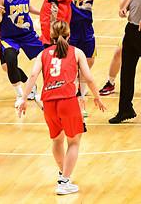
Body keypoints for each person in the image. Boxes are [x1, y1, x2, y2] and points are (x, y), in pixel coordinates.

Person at [17, 21, 106, 196]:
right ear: (69, 35)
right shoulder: (76, 52)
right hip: (68, 101)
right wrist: (97, 96)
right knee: (74, 142)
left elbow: (33, 75)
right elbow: (88, 77)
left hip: (49, 102)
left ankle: (62, 173)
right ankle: (64, 181)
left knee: (57, 140)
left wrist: (24, 98)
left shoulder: (43, 54)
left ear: (50, 36)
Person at [69, 0, 114, 115]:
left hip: (87, 23)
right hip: (70, 24)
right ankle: (78, 97)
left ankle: (81, 88)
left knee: (89, 60)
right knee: (71, 62)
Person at [0, 0, 45, 107]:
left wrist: (43, 13)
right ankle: (20, 95)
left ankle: (48, 90)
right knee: (10, 61)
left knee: (46, 58)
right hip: (9, 37)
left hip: (27, 34)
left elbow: (29, 8)